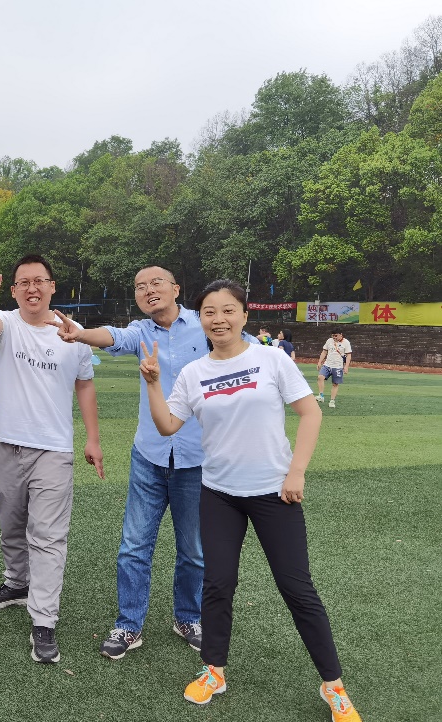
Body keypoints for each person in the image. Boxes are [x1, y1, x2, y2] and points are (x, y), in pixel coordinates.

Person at [140, 278, 362, 721]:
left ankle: (333, 686)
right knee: (218, 584)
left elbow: (310, 412)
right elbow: (168, 426)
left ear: (244, 315)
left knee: (297, 589)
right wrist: (153, 383)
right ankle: (214, 671)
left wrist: (295, 471)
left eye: (228, 310)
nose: (218, 319)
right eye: (209, 312)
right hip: (218, 494)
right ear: (200, 319)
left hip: (274, 492)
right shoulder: (193, 373)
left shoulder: (271, 358)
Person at [50, 266, 206, 660]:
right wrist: (79, 333)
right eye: (140, 287)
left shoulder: (205, 324)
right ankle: (129, 625)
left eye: (156, 283)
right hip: (150, 456)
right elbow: (113, 337)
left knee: (194, 549)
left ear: (176, 288)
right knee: (134, 546)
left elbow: (243, 347)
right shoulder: (141, 331)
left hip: (197, 458)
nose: (148, 290)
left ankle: (188, 617)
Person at [0, 255, 104, 665]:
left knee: (47, 536)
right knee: (11, 522)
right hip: (5, 443)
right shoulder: (7, 323)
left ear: (52, 286)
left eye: (39, 281)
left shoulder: (74, 333)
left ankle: (44, 621)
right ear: (13, 291)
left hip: (53, 449)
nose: (32, 288)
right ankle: (17, 583)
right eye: (24, 282)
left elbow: (85, 385)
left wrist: (93, 439)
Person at [316, 331, 352, 409]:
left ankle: (332, 401)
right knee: (320, 377)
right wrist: (319, 362)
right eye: (333, 336)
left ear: (341, 334)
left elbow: (348, 355)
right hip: (327, 364)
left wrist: (346, 366)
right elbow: (324, 352)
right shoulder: (329, 341)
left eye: (336, 336)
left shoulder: (346, 342)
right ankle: (321, 395)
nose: (334, 337)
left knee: (335, 384)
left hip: (338, 366)